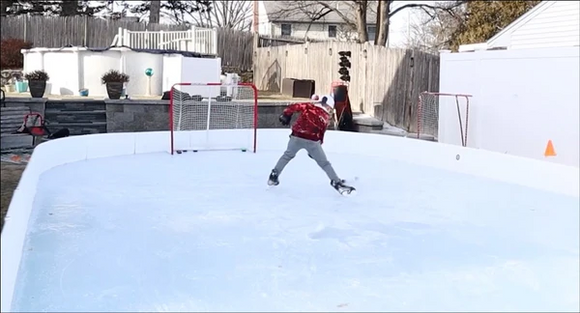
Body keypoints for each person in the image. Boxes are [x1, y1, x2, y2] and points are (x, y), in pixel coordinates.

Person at [268, 94, 354, 194]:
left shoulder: (309, 106)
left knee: (287, 156)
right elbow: (321, 134)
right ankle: (336, 182)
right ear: (328, 106)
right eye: (330, 108)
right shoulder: (325, 117)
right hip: (312, 141)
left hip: (296, 136)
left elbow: (294, 106)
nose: (330, 110)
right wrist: (317, 148)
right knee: (325, 164)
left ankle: (274, 175)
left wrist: (286, 114)